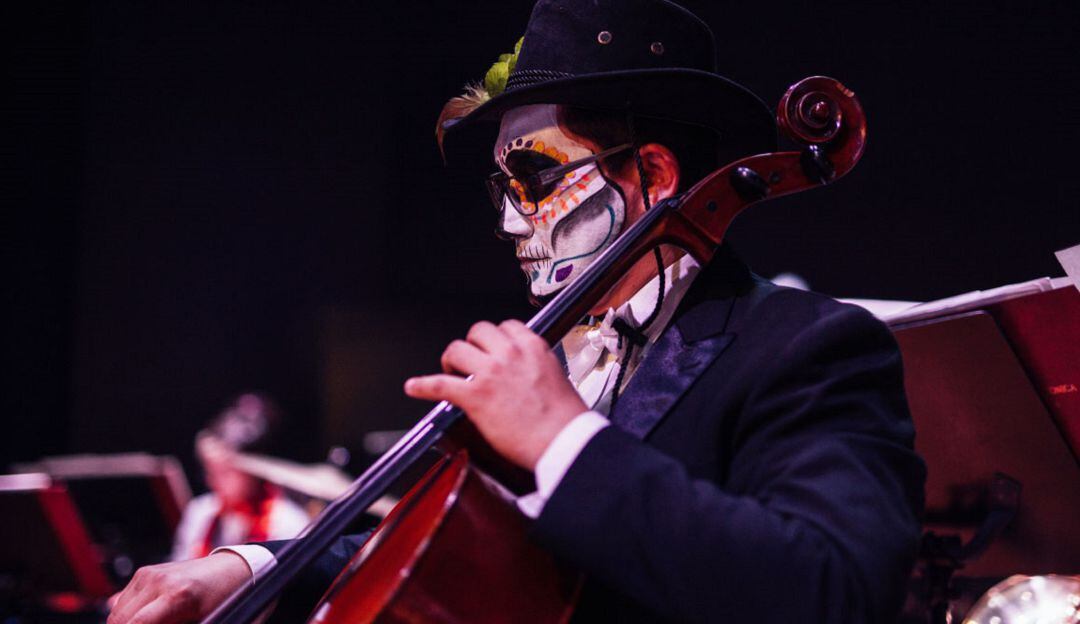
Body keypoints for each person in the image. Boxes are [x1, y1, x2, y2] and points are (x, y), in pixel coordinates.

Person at [108, 1, 925, 622]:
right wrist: (245, 569)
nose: (507, 221)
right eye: (502, 188)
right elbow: (437, 545)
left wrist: (562, 439)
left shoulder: (807, 348)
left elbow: (837, 589)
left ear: (654, 174)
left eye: (534, 178)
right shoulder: (560, 351)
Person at [169, 393, 310, 562]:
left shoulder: (288, 523)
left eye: (223, 472)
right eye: (208, 471)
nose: (210, 481)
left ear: (251, 473)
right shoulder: (200, 511)